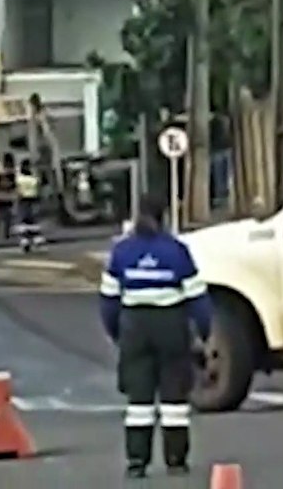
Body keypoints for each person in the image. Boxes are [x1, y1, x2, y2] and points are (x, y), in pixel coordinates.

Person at [98, 193, 213, 479]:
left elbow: (109, 300)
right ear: (164, 216)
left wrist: (117, 333)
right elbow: (198, 298)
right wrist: (203, 332)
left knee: (139, 399)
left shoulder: (122, 252)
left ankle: (137, 461)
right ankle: (176, 459)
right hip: (171, 325)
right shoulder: (176, 251)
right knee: (174, 397)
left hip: (134, 326)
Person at [14, 160, 44, 252]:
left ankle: (24, 240)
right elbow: (39, 188)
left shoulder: (19, 179)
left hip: (22, 200)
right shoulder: (34, 179)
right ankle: (37, 239)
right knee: (33, 220)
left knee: (22, 221)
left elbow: (17, 190)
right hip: (34, 199)